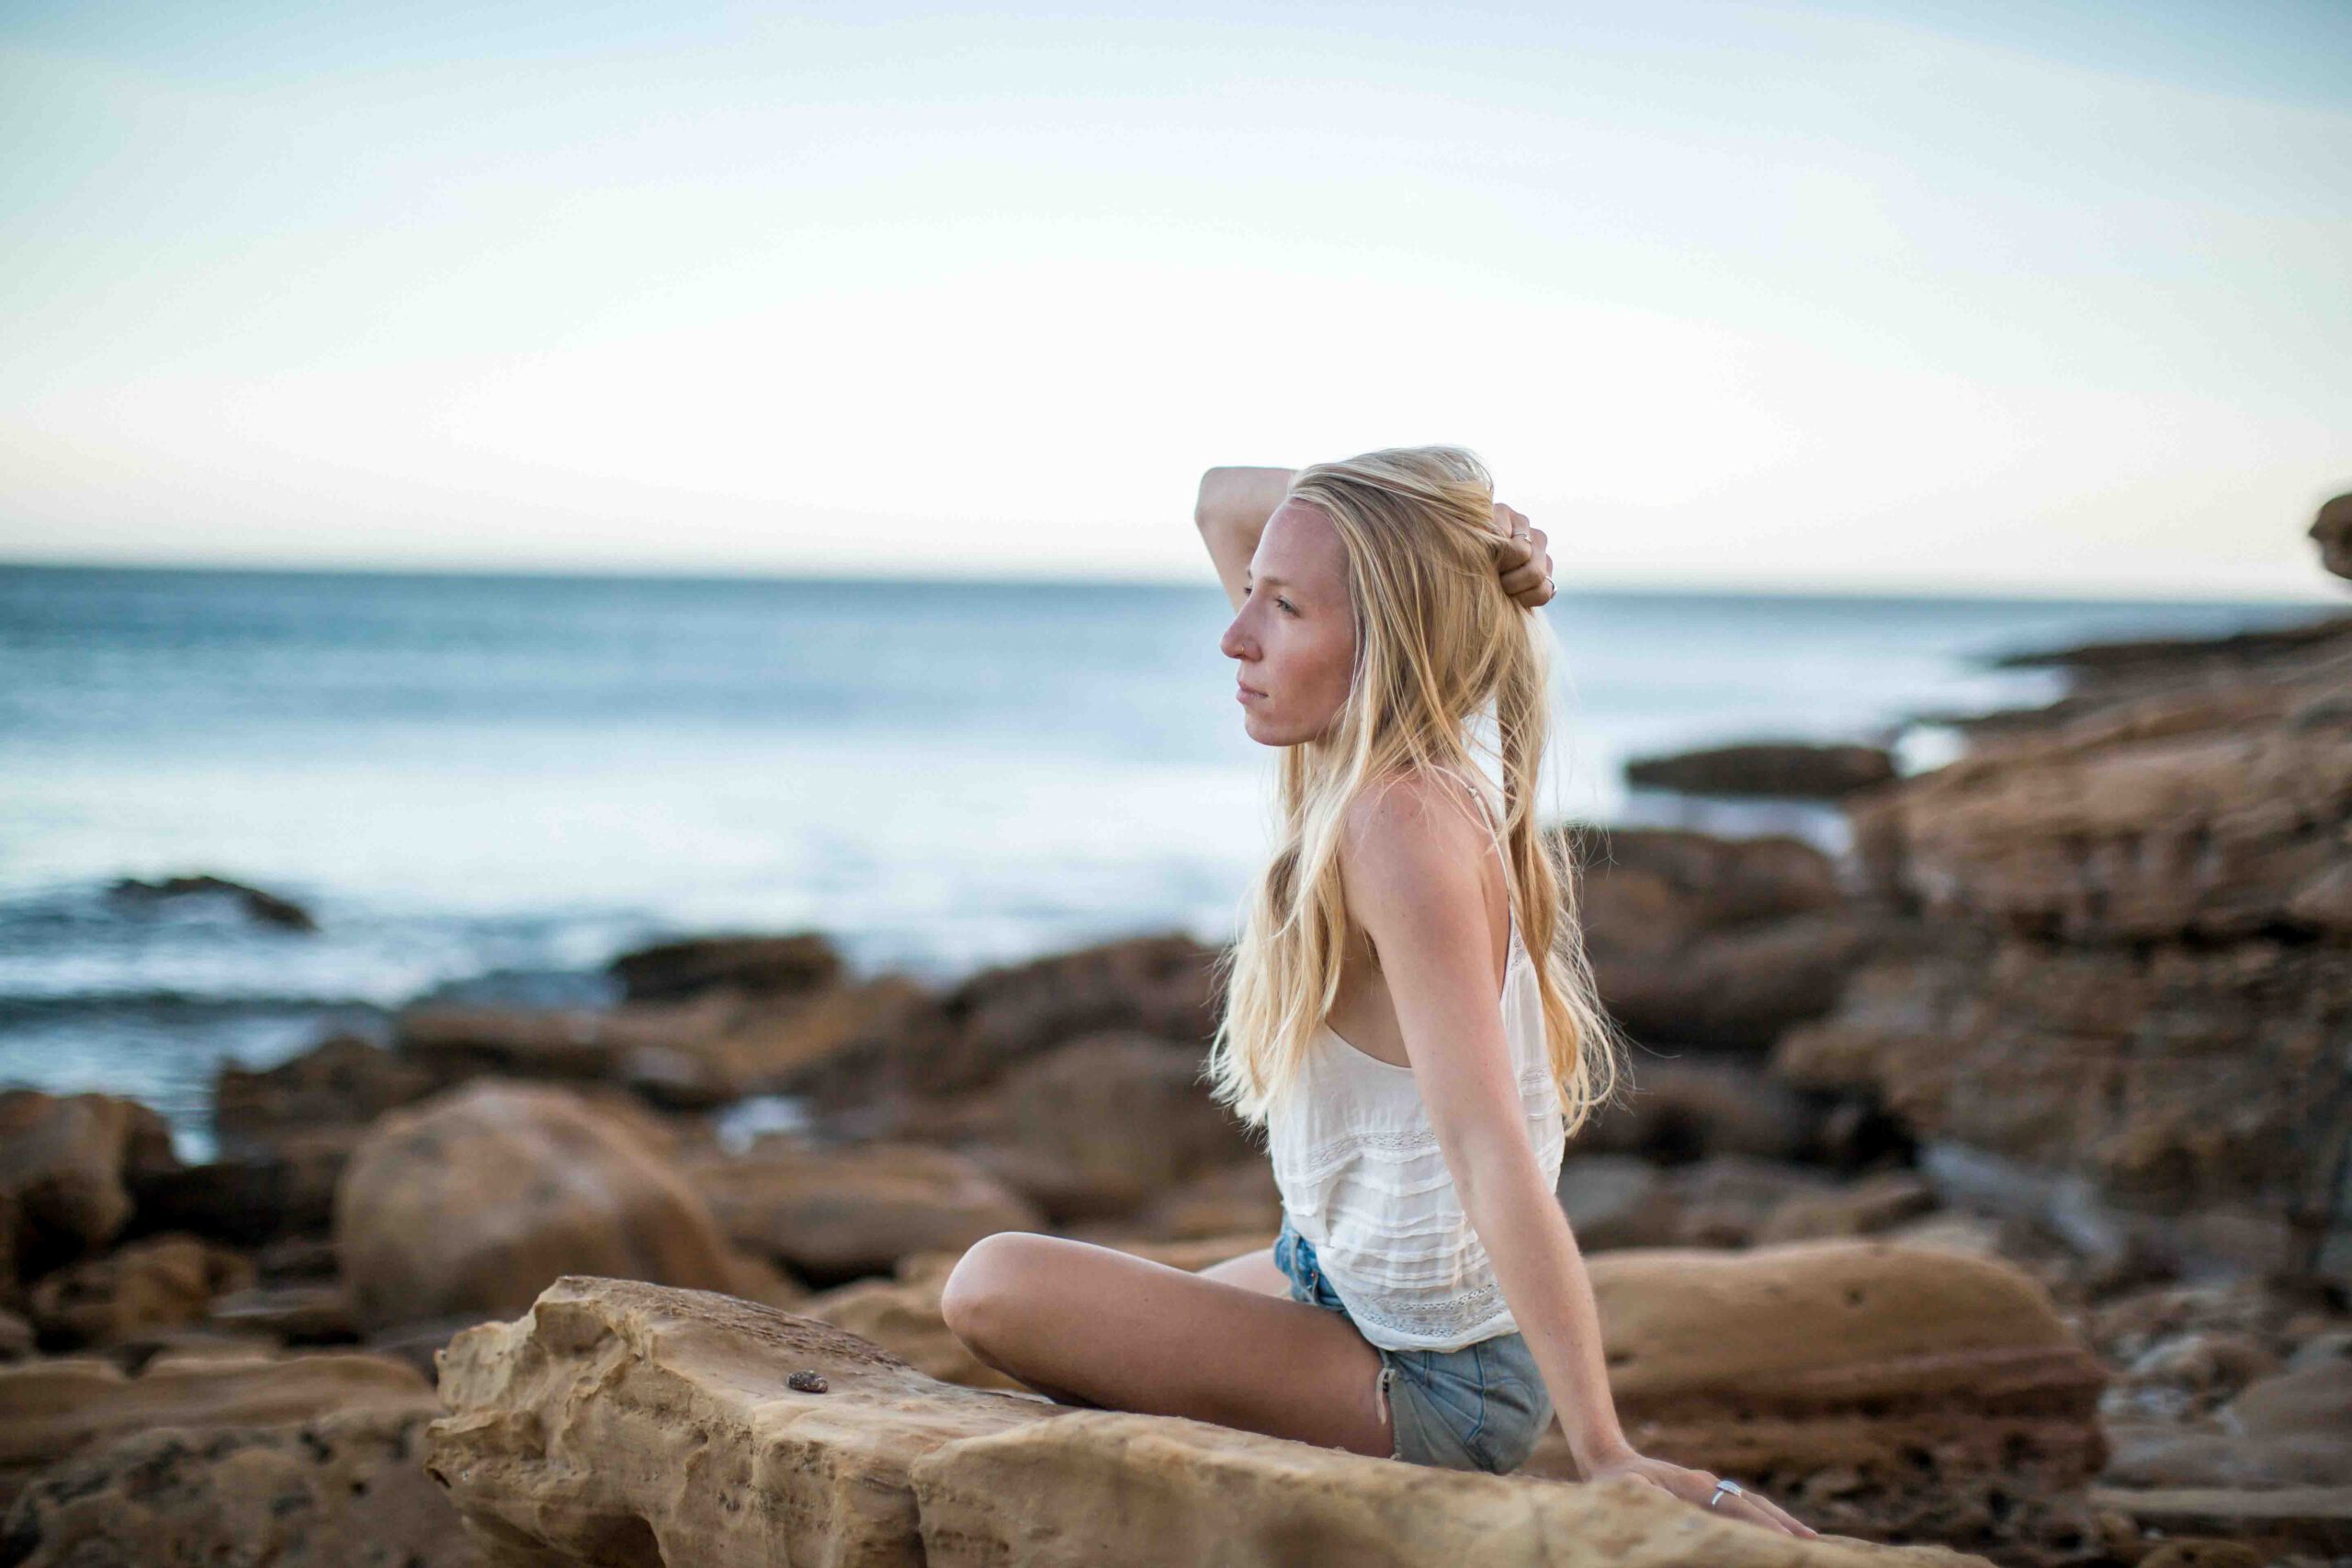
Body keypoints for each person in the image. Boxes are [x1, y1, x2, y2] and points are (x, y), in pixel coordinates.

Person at [940, 446, 1817, 1540]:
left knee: (992, 1282)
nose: (1236, 634)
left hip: (1429, 1376)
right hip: (1329, 1278)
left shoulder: (1397, 823)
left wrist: (1605, 1452)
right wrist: (1462, 528)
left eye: (1284, 607)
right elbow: (1225, 498)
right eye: (1250, 593)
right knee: (1047, 1323)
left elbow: (1486, 1141)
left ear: (1383, 642)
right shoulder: (1366, 753)